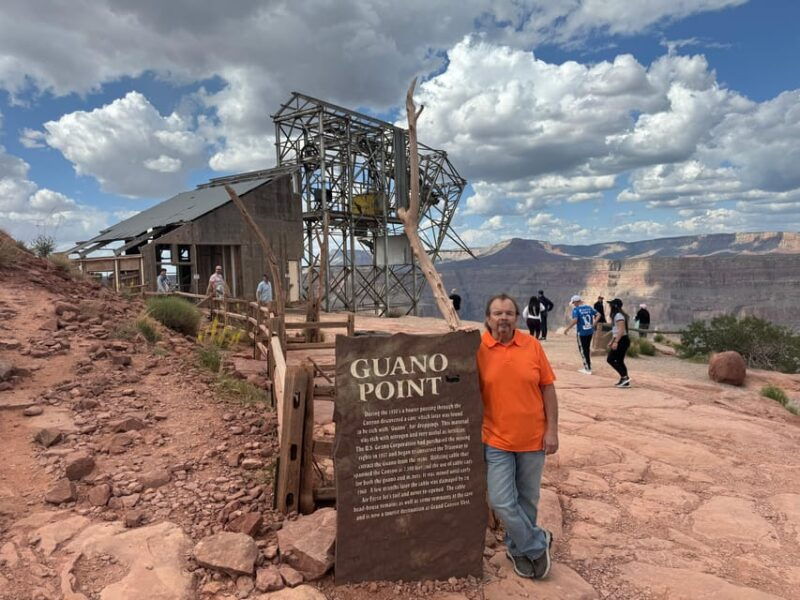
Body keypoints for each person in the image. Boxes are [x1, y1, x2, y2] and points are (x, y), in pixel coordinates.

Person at [477, 293, 559, 580]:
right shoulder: (478, 349)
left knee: (527, 501)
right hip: (496, 440)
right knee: (501, 501)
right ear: (487, 318)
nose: (503, 318)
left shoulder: (532, 345)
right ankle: (538, 544)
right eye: (497, 313)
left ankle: (517, 548)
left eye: (509, 313)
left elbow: (548, 388)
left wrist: (552, 431)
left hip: (533, 440)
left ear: (517, 318)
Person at [563, 295, 599, 374]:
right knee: (587, 348)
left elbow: (575, 320)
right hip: (590, 331)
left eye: (573, 303)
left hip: (581, 332)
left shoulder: (576, 310)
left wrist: (567, 329)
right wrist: (594, 324)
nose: (573, 304)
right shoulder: (589, 308)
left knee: (583, 350)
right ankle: (588, 366)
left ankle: (587, 368)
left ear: (576, 302)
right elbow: (599, 314)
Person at [607, 298, 631, 387]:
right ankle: (625, 380)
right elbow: (616, 330)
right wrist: (612, 341)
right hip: (622, 339)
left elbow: (621, 330)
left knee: (610, 359)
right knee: (620, 361)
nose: (609, 306)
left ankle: (625, 377)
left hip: (622, 340)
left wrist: (616, 342)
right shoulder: (618, 315)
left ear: (614, 306)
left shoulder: (618, 316)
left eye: (611, 304)